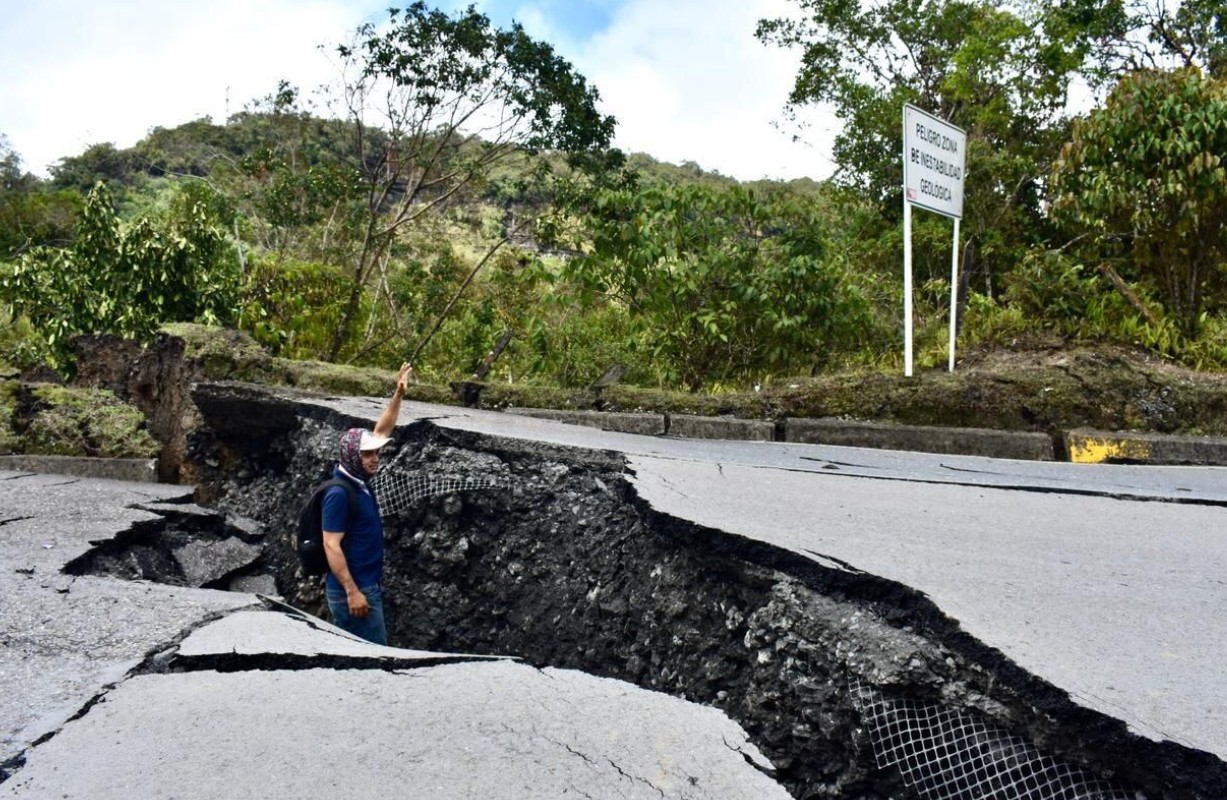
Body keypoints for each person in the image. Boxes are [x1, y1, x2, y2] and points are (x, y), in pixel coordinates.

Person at [321, 362, 412, 645]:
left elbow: (381, 431)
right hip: (355, 590)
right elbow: (330, 545)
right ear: (351, 457)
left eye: (376, 453)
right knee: (375, 658)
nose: (375, 458)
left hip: (366, 585)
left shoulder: (358, 478)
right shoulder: (339, 493)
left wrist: (398, 394)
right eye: (367, 455)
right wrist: (352, 591)